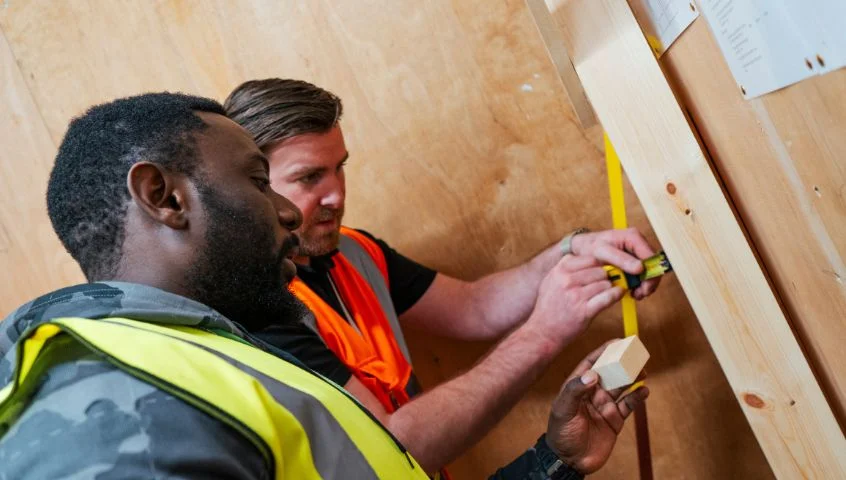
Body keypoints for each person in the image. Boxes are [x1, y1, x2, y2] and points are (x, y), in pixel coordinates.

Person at [0, 92, 648, 479]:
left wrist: (551, 462)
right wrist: (542, 332)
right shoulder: (107, 415)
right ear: (164, 197)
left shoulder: (219, 348)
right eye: (262, 181)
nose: (294, 208)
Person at [224, 79, 661, 472]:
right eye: (310, 177)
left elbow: (475, 308)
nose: (337, 193)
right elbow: (396, 445)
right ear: (254, 185)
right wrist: (545, 331)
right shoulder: (256, 313)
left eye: (340, 166)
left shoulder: (355, 251)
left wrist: (569, 251)